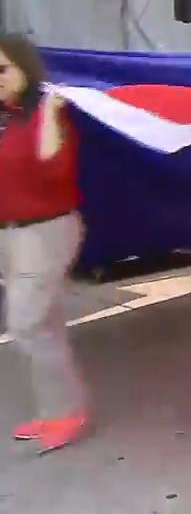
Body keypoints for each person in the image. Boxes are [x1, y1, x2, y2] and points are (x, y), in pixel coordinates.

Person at [0, 33, 90, 454]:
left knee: (26, 323)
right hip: (10, 235)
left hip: (46, 232)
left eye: (2, 69)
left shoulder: (48, 111)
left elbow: (53, 171)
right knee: (45, 322)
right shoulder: (6, 118)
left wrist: (51, 115)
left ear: (25, 68)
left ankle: (67, 410)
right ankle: (55, 410)